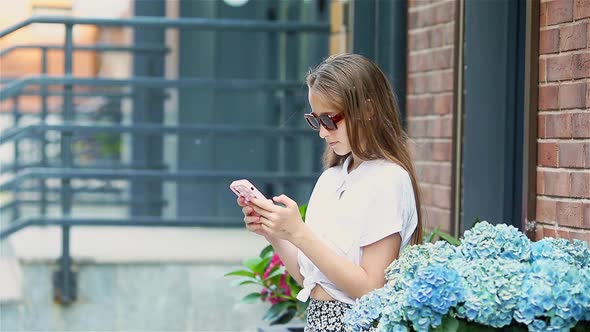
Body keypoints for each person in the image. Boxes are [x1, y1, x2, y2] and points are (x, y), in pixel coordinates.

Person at [236, 53, 422, 332]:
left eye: (330, 120)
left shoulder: (389, 179)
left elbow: (373, 289)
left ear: (368, 110)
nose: (323, 133)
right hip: (319, 321)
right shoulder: (331, 179)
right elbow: (309, 278)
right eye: (315, 120)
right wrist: (275, 232)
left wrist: (299, 232)